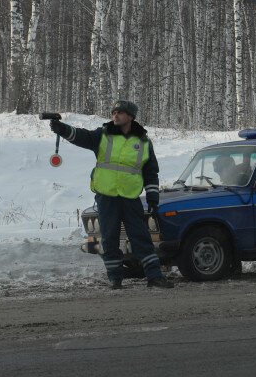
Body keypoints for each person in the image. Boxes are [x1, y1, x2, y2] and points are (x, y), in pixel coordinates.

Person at [49, 100, 174, 289]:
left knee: (142, 238)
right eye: (114, 112)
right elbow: (81, 136)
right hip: (106, 197)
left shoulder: (143, 142)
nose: (115, 115)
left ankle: (154, 277)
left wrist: (153, 199)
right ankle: (115, 279)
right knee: (109, 239)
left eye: (120, 113)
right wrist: (62, 129)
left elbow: (150, 173)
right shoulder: (103, 135)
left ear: (130, 117)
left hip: (130, 197)